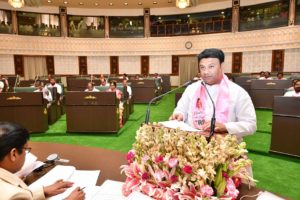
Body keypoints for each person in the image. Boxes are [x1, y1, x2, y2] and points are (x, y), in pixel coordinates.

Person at [170, 48, 257, 141]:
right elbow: (181, 110)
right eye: (202, 67)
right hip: (192, 144)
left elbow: (251, 125)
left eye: (211, 66)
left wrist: (225, 127)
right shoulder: (192, 89)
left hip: (223, 147)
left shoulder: (238, 92)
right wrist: (179, 115)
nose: (206, 72)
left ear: (221, 66)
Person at [0, 122, 85, 200]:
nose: (26, 153)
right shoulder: (12, 194)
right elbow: (16, 196)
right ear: (13, 154)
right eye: (26, 149)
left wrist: (43, 191)